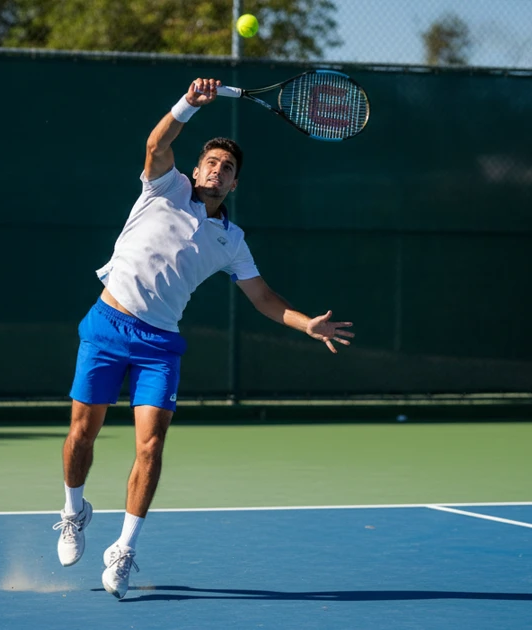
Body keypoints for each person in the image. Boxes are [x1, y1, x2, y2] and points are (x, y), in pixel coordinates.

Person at [52, 77, 354, 600]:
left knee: (151, 444)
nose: (217, 170)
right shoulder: (163, 187)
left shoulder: (231, 240)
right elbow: (155, 144)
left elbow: (263, 298)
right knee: (83, 434)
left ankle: (123, 547)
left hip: (159, 346)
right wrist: (187, 103)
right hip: (106, 325)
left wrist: (306, 322)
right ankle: (74, 510)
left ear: (235, 184)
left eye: (228, 168)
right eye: (211, 162)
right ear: (196, 169)